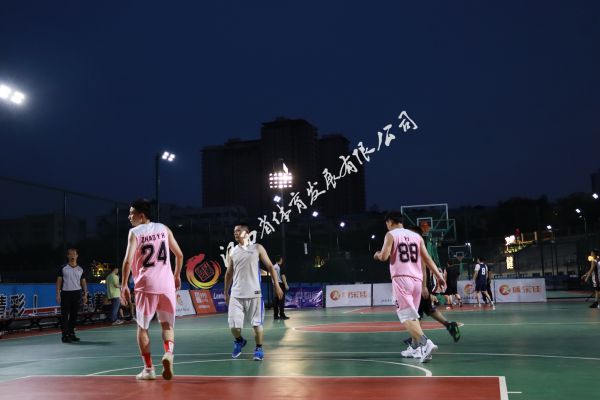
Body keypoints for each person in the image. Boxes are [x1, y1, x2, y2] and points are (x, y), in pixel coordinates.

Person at [120, 199, 184, 381]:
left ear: (141, 215)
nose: (129, 216)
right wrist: (176, 275)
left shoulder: (135, 232)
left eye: (131, 213)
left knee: (143, 327)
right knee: (167, 325)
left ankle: (149, 369)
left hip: (146, 285)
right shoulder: (164, 228)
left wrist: (124, 285)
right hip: (166, 284)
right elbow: (179, 255)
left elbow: (127, 261)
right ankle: (169, 353)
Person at [373, 212, 446, 363]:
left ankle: (425, 343)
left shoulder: (391, 235)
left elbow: (384, 256)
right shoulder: (417, 237)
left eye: (387, 223)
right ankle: (415, 348)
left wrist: (377, 254)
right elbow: (427, 259)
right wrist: (439, 276)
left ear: (390, 222)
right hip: (417, 281)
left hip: (401, 279)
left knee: (406, 316)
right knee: (413, 316)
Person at [224, 223, 283, 361]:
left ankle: (258, 349)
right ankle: (239, 340)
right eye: (234, 231)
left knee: (256, 325)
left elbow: (270, 267)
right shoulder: (233, 251)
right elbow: (229, 273)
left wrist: (276, 284)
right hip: (236, 294)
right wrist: (226, 292)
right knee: (234, 326)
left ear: (246, 233)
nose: (235, 233)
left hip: (254, 294)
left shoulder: (257, 248)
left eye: (238, 231)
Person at [56, 248, 88, 343]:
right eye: (71, 254)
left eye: (74, 254)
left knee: (74, 315)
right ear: (68, 256)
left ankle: (71, 333)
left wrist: (85, 294)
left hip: (77, 293)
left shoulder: (80, 269)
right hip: (66, 293)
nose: (73, 256)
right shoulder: (63, 268)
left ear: (77, 256)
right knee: (65, 315)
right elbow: (58, 281)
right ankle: (64, 335)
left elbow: (83, 282)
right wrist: (58, 294)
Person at [272, 255, 290, 320]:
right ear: (280, 260)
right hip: (280, 284)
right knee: (281, 300)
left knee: (276, 300)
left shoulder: (273, 267)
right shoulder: (280, 267)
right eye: (281, 259)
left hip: (274, 285)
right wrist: (286, 284)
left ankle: (275, 315)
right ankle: (282, 315)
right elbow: (283, 276)